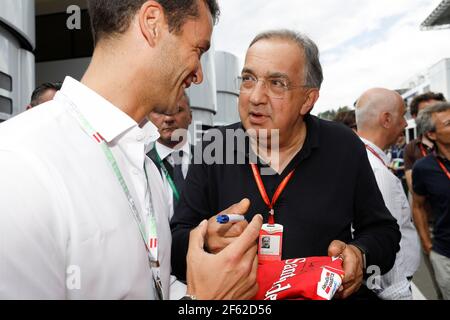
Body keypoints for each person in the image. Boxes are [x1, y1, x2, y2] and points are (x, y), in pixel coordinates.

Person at [0, 0, 262, 300]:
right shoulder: (17, 163)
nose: (199, 75)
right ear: (152, 22)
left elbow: (157, 286)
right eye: (198, 50)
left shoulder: (145, 164)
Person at [171, 29, 401, 300]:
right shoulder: (215, 146)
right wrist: (205, 238)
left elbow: (383, 231)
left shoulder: (343, 145)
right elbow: (175, 245)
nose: (255, 96)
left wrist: (359, 254)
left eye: (276, 83)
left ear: (308, 100)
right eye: (248, 79)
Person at [355, 88, 420, 299]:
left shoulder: (362, 159)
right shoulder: (374, 169)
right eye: (402, 115)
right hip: (393, 288)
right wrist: (400, 294)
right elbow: (387, 242)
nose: (404, 123)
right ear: (386, 119)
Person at [412, 102, 450, 300]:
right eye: (449, 123)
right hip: (445, 254)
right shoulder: (423, 168)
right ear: (432, 134)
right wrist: (427, 244)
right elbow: (417, 206)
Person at [148, 91, 193, 219]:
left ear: (190, 117)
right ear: (148, 119)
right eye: (160, 112)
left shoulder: (209, 163)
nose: (168, 119)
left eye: (178, 110)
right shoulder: (139, 165)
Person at [404, 92, 446, 193]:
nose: (434, 117)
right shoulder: (411, 148)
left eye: (438, 110)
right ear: (415, 117)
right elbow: (414, 190)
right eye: (426, 112)